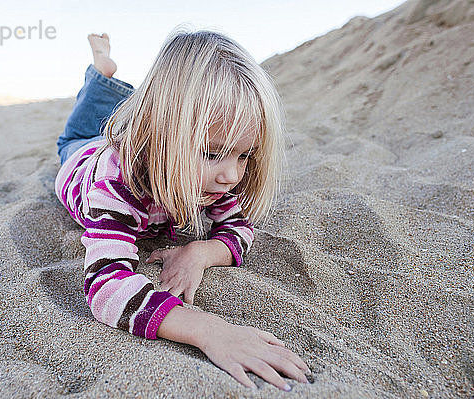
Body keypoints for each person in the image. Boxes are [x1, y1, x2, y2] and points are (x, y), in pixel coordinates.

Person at [55, 29, 310, 391]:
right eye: (211, 153)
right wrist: (210, 331)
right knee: (76, 134)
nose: (232, 175)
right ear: (161, 133)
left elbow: (240, 227)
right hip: (82, 158)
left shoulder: (208, 180)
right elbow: (106, 287)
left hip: (146, 130)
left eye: (244, 155)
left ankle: (118, 96)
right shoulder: (115, 185)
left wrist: (200, 252)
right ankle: (100, 74)